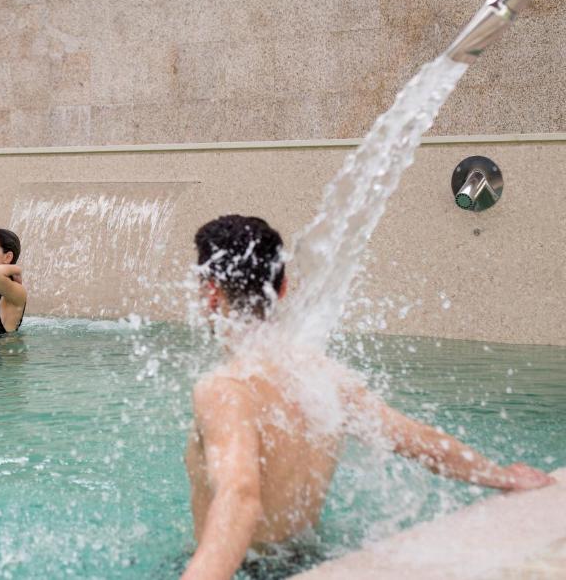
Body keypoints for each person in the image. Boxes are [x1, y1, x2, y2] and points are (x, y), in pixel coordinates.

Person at [181, 215, 555, 580]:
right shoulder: (319, 375)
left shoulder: (225, 388)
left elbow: (241, 496)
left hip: (239, 569)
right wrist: (498, 474)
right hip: (306, 560)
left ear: (210, 292)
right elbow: (415, 439)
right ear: (282, 288)